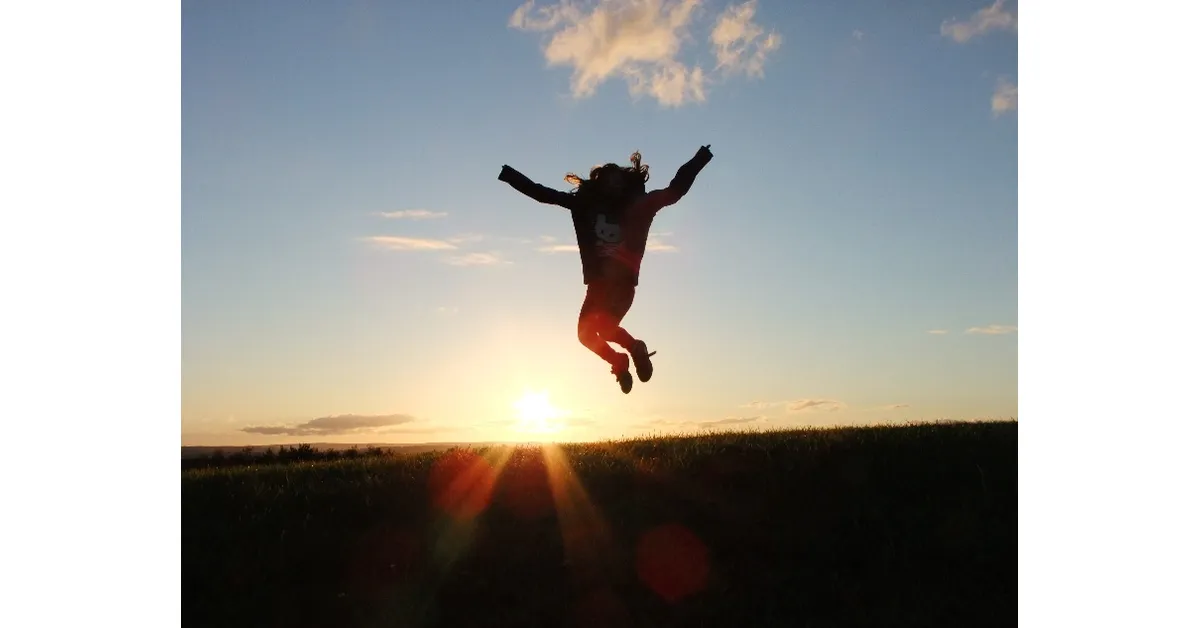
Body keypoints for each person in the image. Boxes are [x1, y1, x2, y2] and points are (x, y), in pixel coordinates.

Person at [497, 144, 713, 393]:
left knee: (602, 329)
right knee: (587, 335)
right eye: (607, 181)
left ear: (626, 184)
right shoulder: (584, 206)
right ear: (598, 186)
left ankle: (633, 349)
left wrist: (700, 159)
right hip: (598, 286)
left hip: (622, 283)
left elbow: (674, 191)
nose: (612, 186)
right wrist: (510, 176)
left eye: (617, 180)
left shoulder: (641, 206)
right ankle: (621, 360)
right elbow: (543, 194)